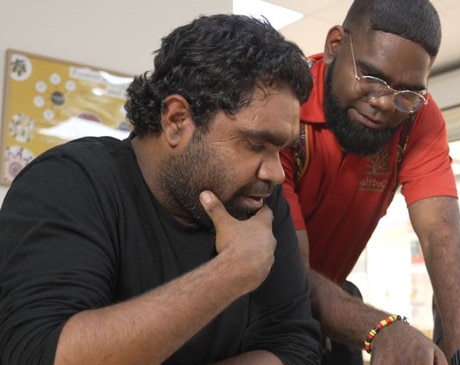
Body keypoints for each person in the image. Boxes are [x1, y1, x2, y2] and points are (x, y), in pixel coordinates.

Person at [0, 14, 321, 364]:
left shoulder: (259, 203)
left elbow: (293, 347)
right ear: (177, 120)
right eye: (256, 144)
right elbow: (40, 353)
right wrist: (232, 271)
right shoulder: (68, 182)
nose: (275, 173)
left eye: (281, 150)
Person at [280, 0, 460, 363]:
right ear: (334, 46)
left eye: (408, 92)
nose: (384, 103)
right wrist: (383, 328)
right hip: (259, 302)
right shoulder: (282, 105)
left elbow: (441, 235)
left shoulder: (418, 116)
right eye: (371, 78)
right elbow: (286, 268)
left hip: (331, 298)